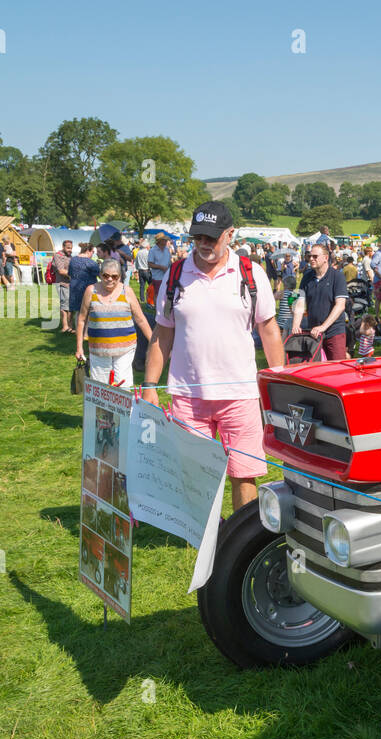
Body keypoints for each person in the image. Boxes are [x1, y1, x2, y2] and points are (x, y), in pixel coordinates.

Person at [143, 200, 282, 514]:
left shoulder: (251, 273)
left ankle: (240, 540)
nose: (204, 244)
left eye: (211, 237)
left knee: (244, 475)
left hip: (240, 395)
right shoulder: (176, 274)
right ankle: (208, 539)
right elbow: (162, 333)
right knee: (196, 474)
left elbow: (269, 330)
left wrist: (279, 381)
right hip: (188, 396)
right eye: (198, 237)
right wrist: (150, 385)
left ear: (230, 234)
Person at [75, 259, 153, 388]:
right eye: (105, 275)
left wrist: (153, 341)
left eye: (114, 276)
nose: (109, 279)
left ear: (120, 277)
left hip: (125, 349)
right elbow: (82, 319)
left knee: (122, 388)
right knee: (100, 389)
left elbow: (141, 319)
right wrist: (79, 347)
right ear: (100, 275)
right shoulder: (91, 290)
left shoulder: (127, 291)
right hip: (98, 350)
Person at [290, 243, 350, 361]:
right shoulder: (306, 277)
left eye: (315, 256)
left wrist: (323, 327)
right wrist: (296, 324)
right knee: (315, 369)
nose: (311, 259)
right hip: (313, 332)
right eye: (309, 256)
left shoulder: (337, 277)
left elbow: (340, 305)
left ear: (325, 258)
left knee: (337, 369)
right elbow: (299, 302)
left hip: (334, 331)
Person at [68, 242, 100, 316]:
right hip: (87, 290)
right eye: (93, 252)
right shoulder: (91, 263)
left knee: (78, 311)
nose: (93, 254)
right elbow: (100, 275)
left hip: (74, 289)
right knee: (87, 312)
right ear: (88, 251)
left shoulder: (73, 260)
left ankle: (76, 327)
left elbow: (69, 274)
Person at [52, 239, 74, 332]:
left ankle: (71, 326)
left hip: (70, 284)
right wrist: (74, 275)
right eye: (68, 248)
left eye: (71, 248)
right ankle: (65, 326)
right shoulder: (58, 256)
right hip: (62, 283)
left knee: (70, 306)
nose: (70, 250)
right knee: (64, 306)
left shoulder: (70, 256)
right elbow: (61, 270)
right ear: (63, 247)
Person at [146, 234, 172, 307]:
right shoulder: (153, 250)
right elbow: (150, 264)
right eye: (164, 240)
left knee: (166, 293)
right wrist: (161, 267)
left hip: (167, 275)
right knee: (158, 294)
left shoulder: (167, 249)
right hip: (158, 277)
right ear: (159, 241)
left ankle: (164, 309)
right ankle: (158, 310)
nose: (166, 241)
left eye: (166, 240)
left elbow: (169, 261)